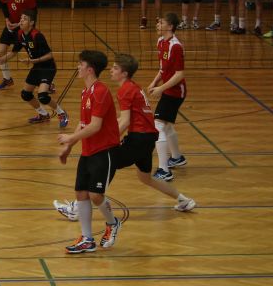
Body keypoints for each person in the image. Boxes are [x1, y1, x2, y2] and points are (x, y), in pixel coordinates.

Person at [53, 52, 196, 222]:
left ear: (124, 73)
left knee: (105, 160)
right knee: (146, 178)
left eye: (115, 68)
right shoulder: (133, 87)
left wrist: (109, 141)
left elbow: (125, 121)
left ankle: (77, 208)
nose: (111, 70)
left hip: (139, 138)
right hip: (148, 139)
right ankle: (184, 200)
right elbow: (122, 119)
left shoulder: (125, 90)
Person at [56, 50, 122, 253]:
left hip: (104, 150)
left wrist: (70, 138)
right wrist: (69, 146)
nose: (78, 67)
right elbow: (83, 123)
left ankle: (112, 223)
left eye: (81, 64)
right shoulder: (86, 92)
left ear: (90, 69)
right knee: (81, 193)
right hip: (88, 150)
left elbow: (95, 126)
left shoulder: (100, 92)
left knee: (95, 194)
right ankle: (87, 239)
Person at [0, 10, 69, 128]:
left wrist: (32, 61)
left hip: (48, 67)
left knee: (43, 96)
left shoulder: (37, 36)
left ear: (31, 22)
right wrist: (2, 59)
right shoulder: (20, 34)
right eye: (21, 19)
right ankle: (43, 114)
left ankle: (62, 113)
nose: (21, 21)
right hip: (37, 67)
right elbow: (14, 52)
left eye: (24, 19)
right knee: (25, 94)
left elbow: (50, 55)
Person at [147, 13, 187, 182]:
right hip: (168, 90)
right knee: (167, 125)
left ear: (170, 27)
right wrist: (154, 82)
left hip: (176, 91)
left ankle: (164, 170)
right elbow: (163, 68)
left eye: (161, 23)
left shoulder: (175, 46)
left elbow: (179, 74)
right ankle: (177, 158)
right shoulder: (161, 42)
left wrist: (161, 88)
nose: (157, 25)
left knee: (158, 125)